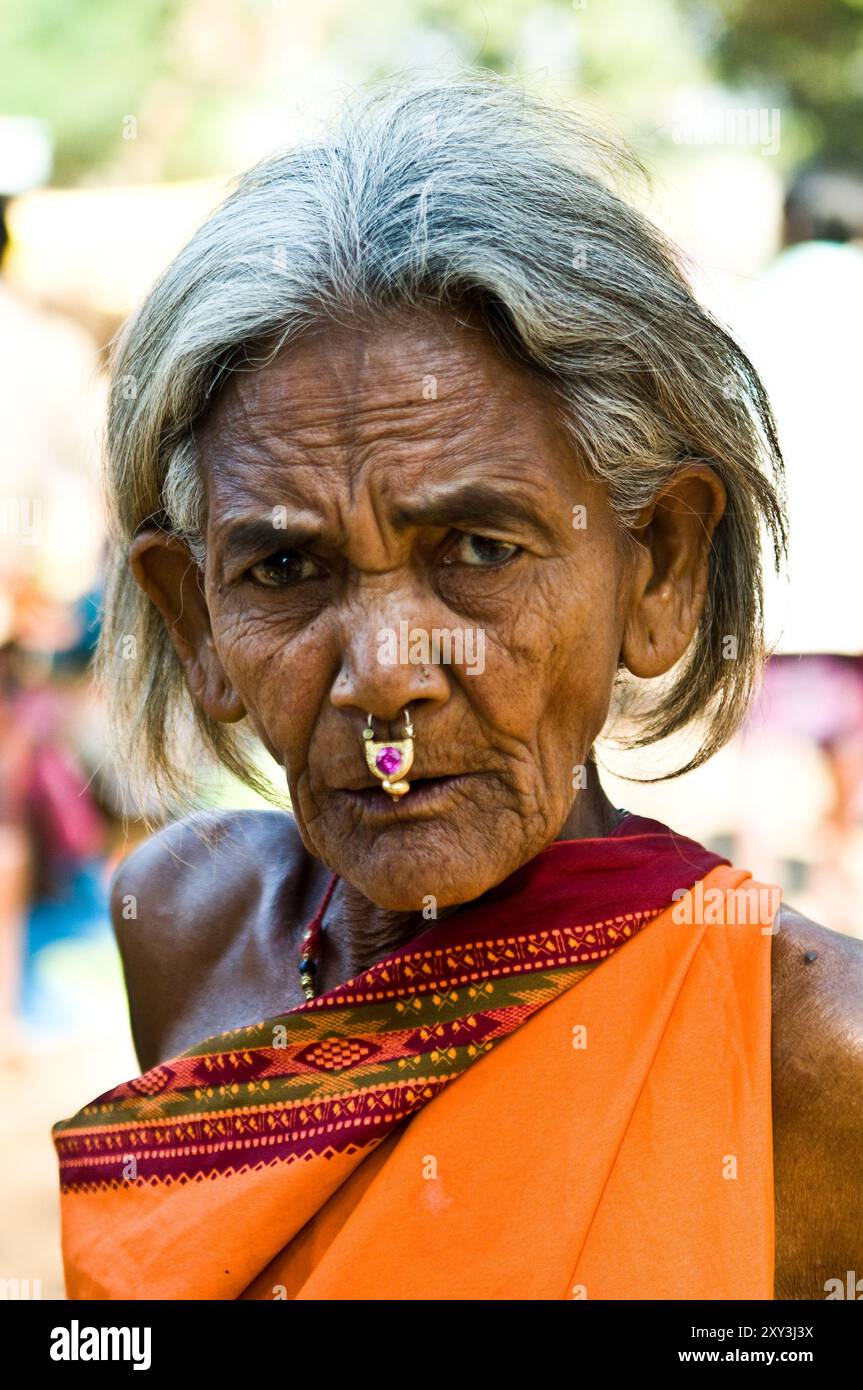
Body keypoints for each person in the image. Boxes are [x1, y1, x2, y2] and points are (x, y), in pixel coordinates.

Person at [53, 75, 863, 1301]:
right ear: (195, 620)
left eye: (480, 550)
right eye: (283, 566)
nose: (384, 674)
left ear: (659, 570)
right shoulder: (184, 919)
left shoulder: (812, 1056)